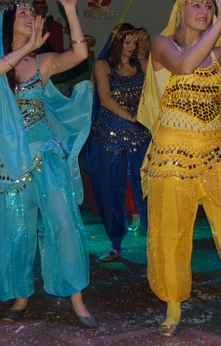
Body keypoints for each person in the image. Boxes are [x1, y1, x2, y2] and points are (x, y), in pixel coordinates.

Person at [138, 0, 221, 341]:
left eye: (209, 5)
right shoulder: (162, 44)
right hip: (172, 155)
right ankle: (173, 306)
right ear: (180, 9)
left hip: (215, 154)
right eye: (196, 3)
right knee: (171, 235)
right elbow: (183, 65)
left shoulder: (216, 53)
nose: (205, 9)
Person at [0, 0, 97, 330]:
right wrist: (26, 46)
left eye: (33, 13)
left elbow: (79, 54)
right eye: (23, 14)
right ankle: (20, 296)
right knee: (17, 230)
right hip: (10, 162)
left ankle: (76, 296)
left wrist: (70, 9)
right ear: (7, 23)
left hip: (47, 155)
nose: (31, 17)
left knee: (65, 222)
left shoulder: (41, 62)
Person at [84, 23, 150, 262]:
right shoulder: (103, 65)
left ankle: (155, 241)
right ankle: (115, 244)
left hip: (139, 137)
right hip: (109, 137)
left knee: (148, 189)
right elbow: (105, 99)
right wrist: (131, 117)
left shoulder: (143, 66)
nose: (132, 46)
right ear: (117, 41)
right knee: (111, 189)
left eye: (135, 42)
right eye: (127, 42)